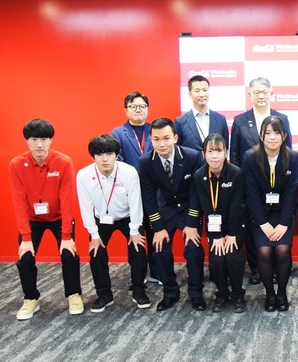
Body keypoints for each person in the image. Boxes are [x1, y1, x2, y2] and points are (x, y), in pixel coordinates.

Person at [9, 119, 83, 320]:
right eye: (34, 139)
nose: (39, 145)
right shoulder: (17, 164)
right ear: (27, 141)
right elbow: (19, 202)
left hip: (60, 218)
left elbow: (67, 199)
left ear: (51, 140)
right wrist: (26, 238)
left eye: (44, 139)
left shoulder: (63, 162)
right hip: (32, 219)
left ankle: (74, 295)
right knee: (25, 257)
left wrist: (66, 236)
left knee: (69, 254)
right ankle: (31, 298)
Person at [76, 135, 150, 312]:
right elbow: (85, 206)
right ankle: (104, 295)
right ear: (93, 157)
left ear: (116, 155)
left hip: (128, 218)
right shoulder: (84, 175)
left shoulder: (129, 172)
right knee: (96, 253)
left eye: (109, 154)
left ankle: (139, 290)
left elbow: (136, 203)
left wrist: (135, 230)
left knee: (138, 251)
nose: (105, 159)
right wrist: (94, 234)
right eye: (99, 154)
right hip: (101, 219)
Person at [139, 117, 205, 312]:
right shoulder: (146, 162)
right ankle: (170, 293)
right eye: (156, 139)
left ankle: (196, 293)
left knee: (193, 249)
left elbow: (197, 192)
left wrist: (192, 223)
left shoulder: (192, 157)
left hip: (188, 208)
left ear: (175, 138)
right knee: (159, 249)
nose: (162, 144)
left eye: (166, 138)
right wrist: (158, 228)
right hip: (165, 209)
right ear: (151, 139)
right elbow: (148, 198)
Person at [230, 77, 292, 285]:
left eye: (264, 92)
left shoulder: (282, 118)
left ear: (271, 94)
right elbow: (235, 155)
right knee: (252, 227)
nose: (261, 96)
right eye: (256, 92)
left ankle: (275, 269)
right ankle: (257, 268)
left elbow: (287, 153)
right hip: (250, 185)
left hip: (277, 186)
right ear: (250, 95)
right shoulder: (240, 120)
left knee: (277, 235)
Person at [243, 116, 298, 312]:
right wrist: (263, 224)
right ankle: (269, 294)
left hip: (283, 213)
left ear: (284, 136)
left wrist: (283, 223)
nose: (272, 137)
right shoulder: (250, 157)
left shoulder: (292, 157)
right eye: (267, 133)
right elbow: (251, 193)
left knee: (283, 249)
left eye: (276, 133)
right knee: (264, 251)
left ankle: (281, 293)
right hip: (261, 214)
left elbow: (291, 193)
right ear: (261, 136)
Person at [187, 133, 247, 313]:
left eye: (219, 151)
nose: (214, 156)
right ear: (203, 153)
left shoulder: (236, 173)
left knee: (232, 256)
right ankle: (221, 293)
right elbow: (204, 205)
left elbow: (237, 206)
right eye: (210, 151)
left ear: (225, 152)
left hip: (235, 224)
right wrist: (217, 236)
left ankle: (238, 294)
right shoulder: (199, 175)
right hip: (214, 226)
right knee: (217, 259)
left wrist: (230, 234)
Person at [111, 91, 161, 285]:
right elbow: (118, 163)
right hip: (131, 194)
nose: (138, 110)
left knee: (155, 232)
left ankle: (157, 272)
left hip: (155, 192)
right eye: (133, 106)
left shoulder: (155, 130)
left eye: (142, 106)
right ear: (126, 110)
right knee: (135, 234)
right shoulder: (118, 133)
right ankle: (137, 276)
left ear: (147, 109)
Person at [175, 75, 229, 150]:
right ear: (190, 94)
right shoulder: (180, 122)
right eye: (197, 91)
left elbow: (225, 147)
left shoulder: (220, 119)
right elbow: (177, 149)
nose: (202, 94)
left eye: (205, 90)